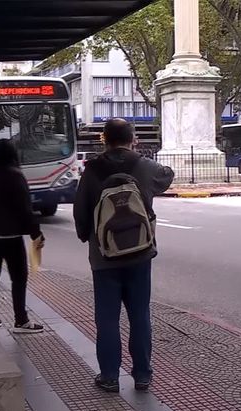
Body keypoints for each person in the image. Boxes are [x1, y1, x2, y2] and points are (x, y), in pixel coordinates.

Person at [74, 118, 174, 393]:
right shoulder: (143, 165)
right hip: (140, 254)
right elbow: (167, 176)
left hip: (104, 257)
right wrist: (137, 155)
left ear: (104, 139)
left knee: (107, 318)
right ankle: (142, 375)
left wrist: (89, 238)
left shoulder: (92, 169)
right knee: (139, 314)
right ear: (133, 138)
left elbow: (80, 212)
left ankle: (109, 376)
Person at [0, 138, 45, 334]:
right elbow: (25, 209)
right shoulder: (16, 175)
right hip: (11, 237)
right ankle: (21, 320)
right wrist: (36, 233)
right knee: (19, 278)